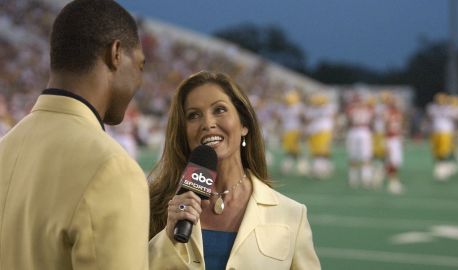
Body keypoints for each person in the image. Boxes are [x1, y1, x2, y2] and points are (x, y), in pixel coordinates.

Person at [0, 1, 149, 269]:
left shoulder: (5, 147)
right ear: (115, 53)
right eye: (140, 65)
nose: (140, 80)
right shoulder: (113, 169)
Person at [148, 71, 320, 270]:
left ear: (244, 124)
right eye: (194, 115)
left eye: (219, 110)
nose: (208, 124)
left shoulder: (291, 215)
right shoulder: (158, 206)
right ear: (183, 132)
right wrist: (168, 236)